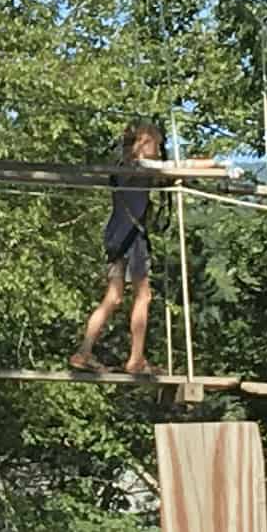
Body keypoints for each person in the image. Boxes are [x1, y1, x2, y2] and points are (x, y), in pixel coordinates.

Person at [69, 122, 235, 375]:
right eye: (155, 143)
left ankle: (84, 351)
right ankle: (135, 359)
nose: (158, 149)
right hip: (132, 238)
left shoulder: (121, 167)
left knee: (113, 298)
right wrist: (218, 165)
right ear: (143, 143)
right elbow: (177, 166)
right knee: (143, 296)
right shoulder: (141, 167)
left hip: (115, 235)